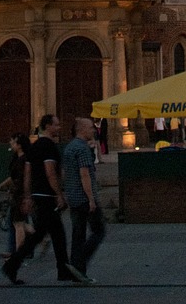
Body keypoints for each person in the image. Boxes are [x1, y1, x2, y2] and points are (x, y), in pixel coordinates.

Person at [1, 114, 77, 285]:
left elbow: (28, 173)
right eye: (56, 125)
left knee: (51, 234)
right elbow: (50, 171)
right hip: (47, 196)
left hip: (37, 195)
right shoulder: (49, 146)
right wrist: (59, 194)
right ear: (48, 126)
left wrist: (28, 196)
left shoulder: (34, 147)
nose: (59, 128)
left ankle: (61, 269)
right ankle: (13, 265)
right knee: (49, 235)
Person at [63, 117, 106, 283]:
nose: (94, 130)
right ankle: (79, 261)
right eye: (90, 128)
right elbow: (84, 174)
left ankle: (76, 272)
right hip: (84, 198)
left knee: (78, 235)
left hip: (73, 196)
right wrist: (91, 199)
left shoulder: (70, 147)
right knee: (98, 231)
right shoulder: (82, 149)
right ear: (81, 129)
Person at [0, 133, 31, 255]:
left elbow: (24, 178)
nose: (11, 144)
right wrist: (3, 185)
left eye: (13, 142)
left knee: (19, 224)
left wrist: (26, 196)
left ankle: (19, 252)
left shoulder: (23, 160)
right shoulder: (19, 158)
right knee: (18, 222)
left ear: (19, 145)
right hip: (17, 193)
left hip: (19, 193)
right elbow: (13, 177)